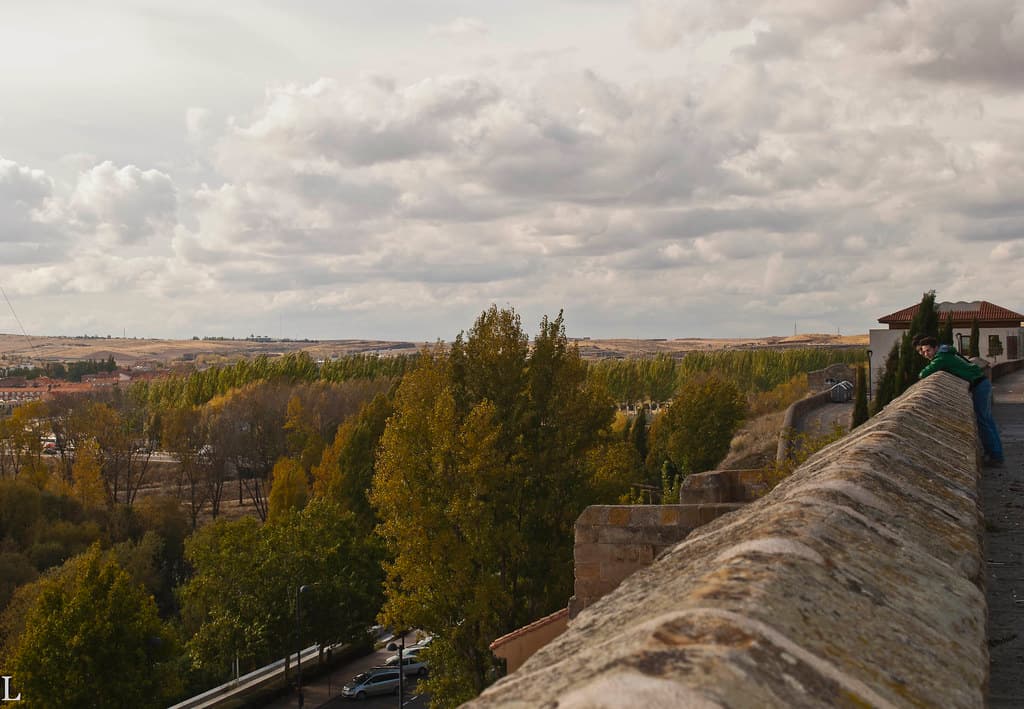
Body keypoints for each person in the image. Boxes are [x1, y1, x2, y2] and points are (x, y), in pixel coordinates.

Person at [915, 335, 1004, 467]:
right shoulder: (946, 353)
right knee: (987, 420)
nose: (926, 354)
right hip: (981, 383)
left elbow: (923, 374)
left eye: (928, 350)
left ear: (935, 348)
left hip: (979, 385)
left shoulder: (941, 358)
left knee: (983, 421)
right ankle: (995, 454)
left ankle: (995, 456)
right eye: (924, 351)